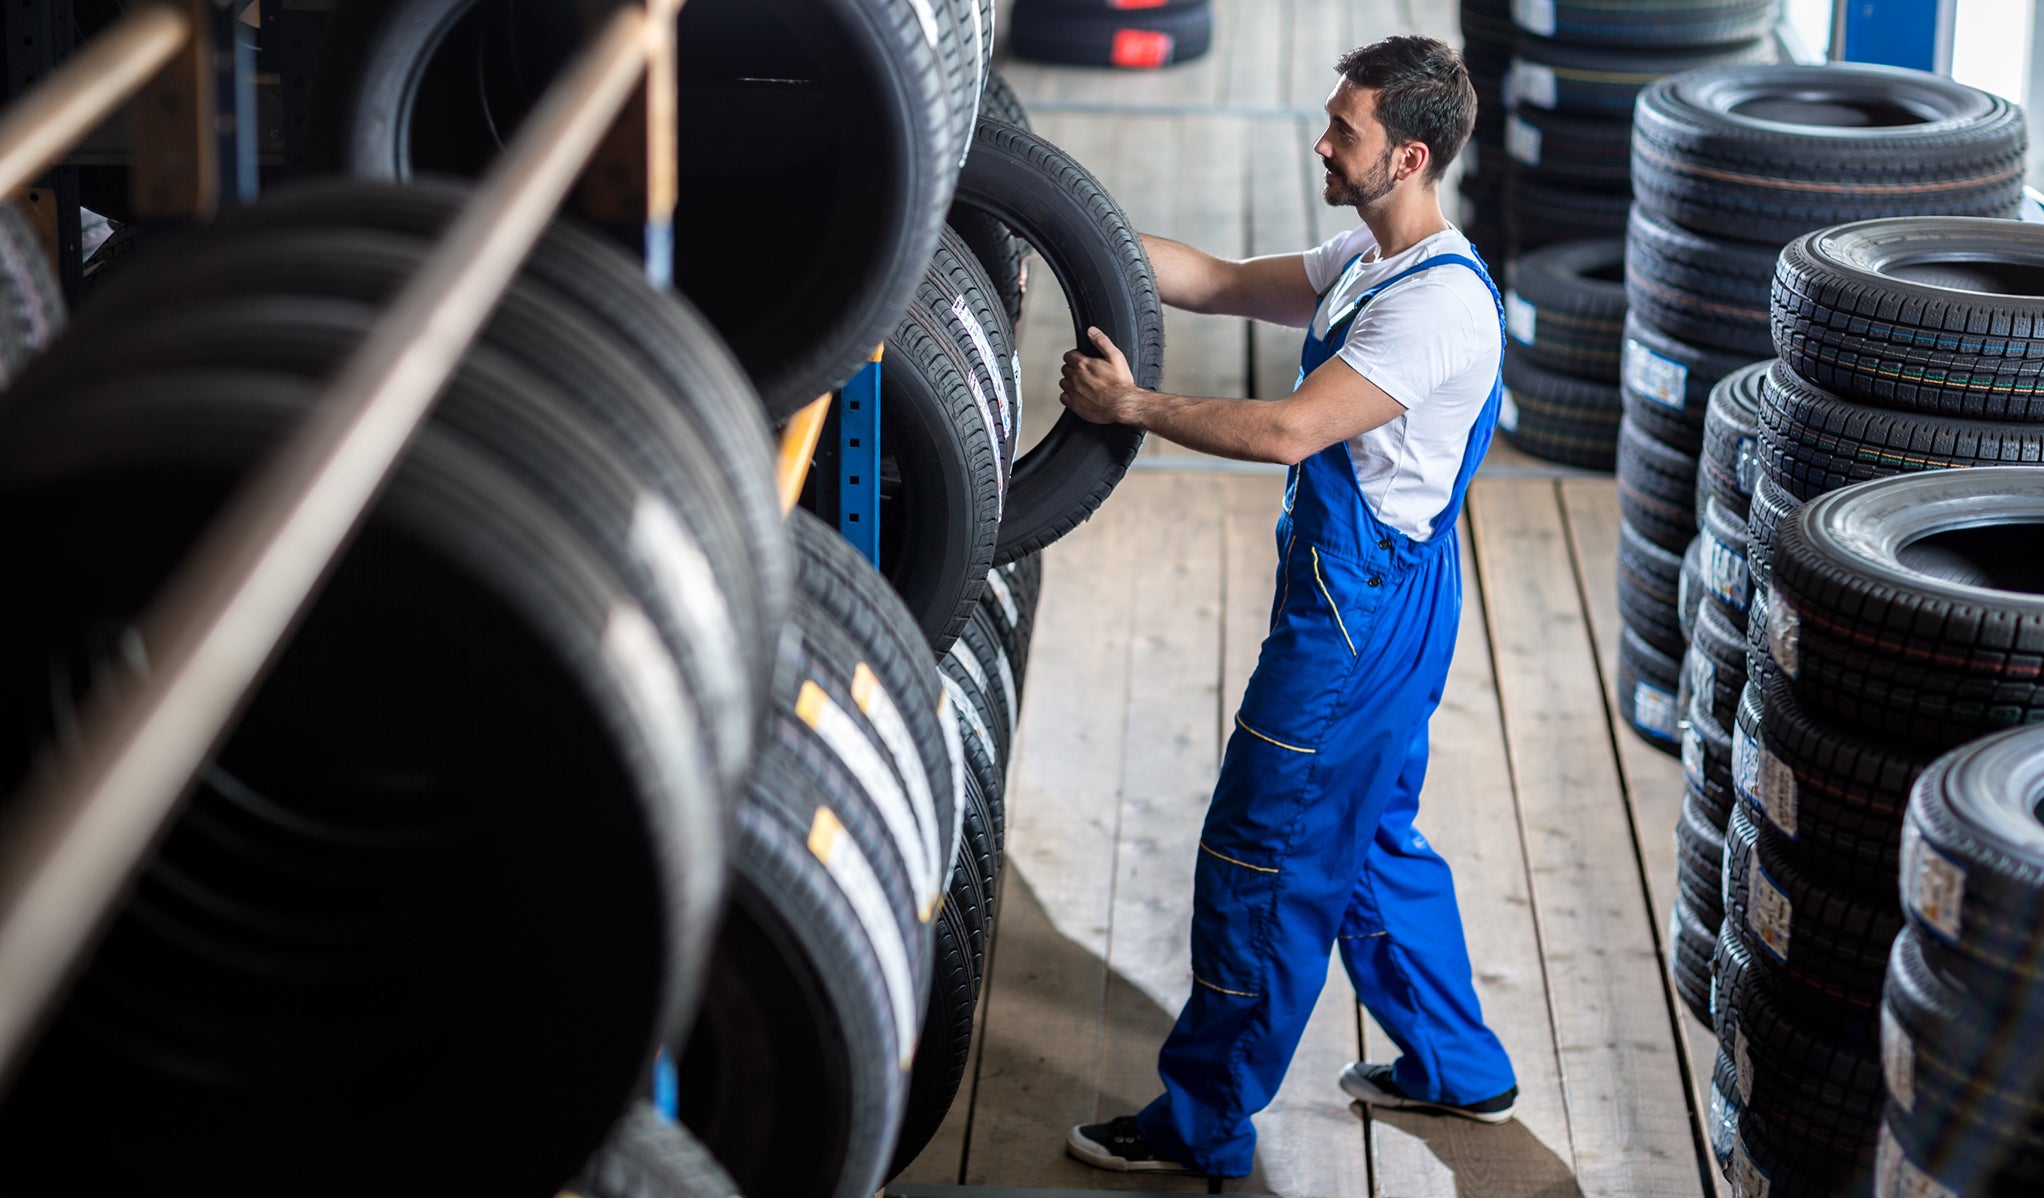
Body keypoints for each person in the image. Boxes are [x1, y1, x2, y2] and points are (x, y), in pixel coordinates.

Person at [1056, 35, 1518, 1180]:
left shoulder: (1436, 308)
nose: (1322, 140)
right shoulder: (1370, 257)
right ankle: (1460, 1068)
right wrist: (1057, 228)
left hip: (1356, 619)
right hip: (1388, 596)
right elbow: (1209, 278)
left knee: (1261, 852)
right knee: (1364, 838)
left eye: (1344, 130)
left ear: (1407, 156)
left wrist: (1133, 405)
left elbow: (1285, 431)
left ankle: (1202, 1121)